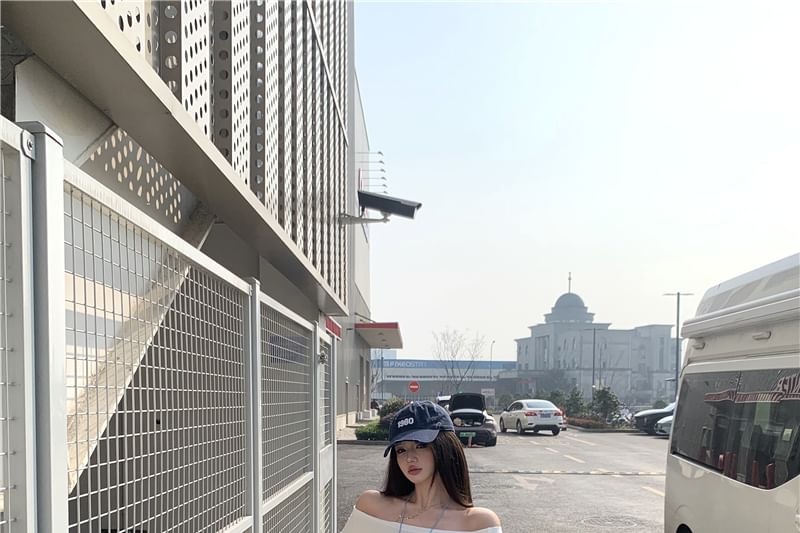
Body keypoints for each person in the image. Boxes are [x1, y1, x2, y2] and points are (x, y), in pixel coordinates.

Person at [341, 401, 503, 533]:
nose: (409, 458)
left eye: (421, 445)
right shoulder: (371, 505)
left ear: (445, 446)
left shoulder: (478, 523)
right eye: (401, 450)